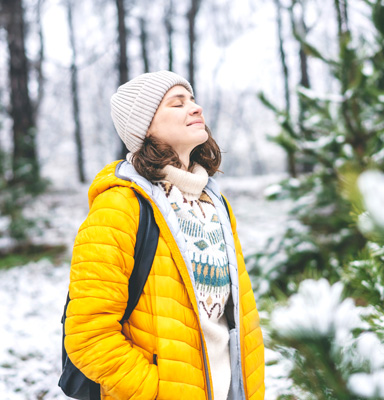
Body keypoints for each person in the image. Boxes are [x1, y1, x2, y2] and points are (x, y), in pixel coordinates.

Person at [64, 70, 265, 400]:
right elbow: (88, 332)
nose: (196, 108)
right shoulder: (120, 206)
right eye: (178, 103)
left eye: (194, 100)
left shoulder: (215, 203)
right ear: (145, 128)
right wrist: (154, 392)